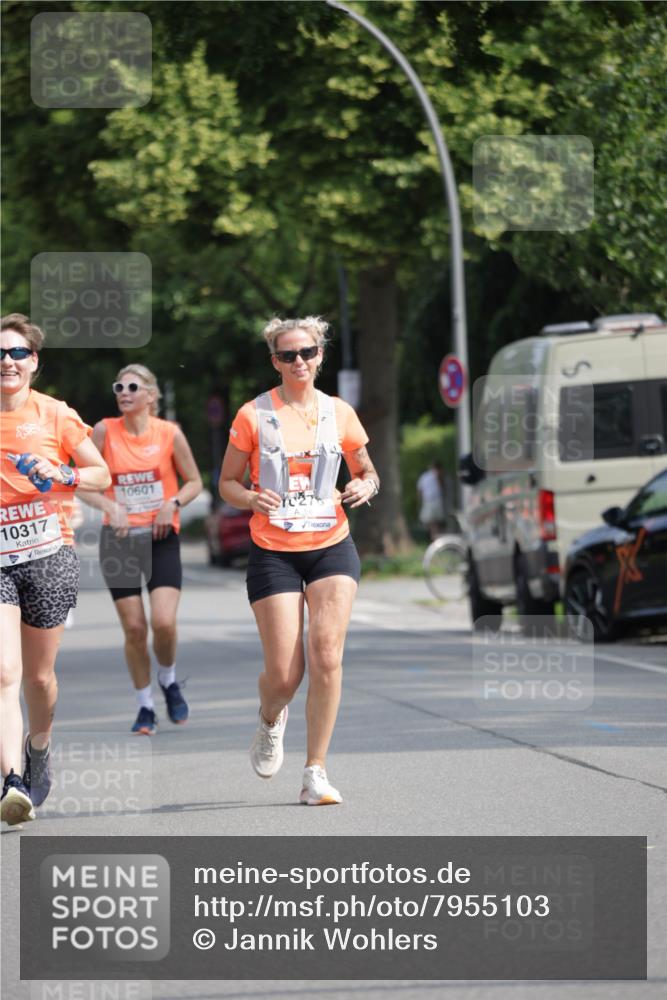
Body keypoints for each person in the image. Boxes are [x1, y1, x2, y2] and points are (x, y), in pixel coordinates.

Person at [219, 316, 379, 806]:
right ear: (275, 361)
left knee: (328, 655)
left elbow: (367, 470)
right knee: (286, 674)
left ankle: (316, 771)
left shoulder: (340, 413)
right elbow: (226, 482)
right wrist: (249, 499)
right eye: (288, 355)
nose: (299, 362)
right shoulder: (254, 415)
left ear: (320, 355)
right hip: (274, 552)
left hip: (331, 543)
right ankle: (271, 718)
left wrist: (364, 484)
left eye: (307, 352)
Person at [0, 313, 111, 825]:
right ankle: (12, 781)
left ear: (33, 363)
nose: (7, 361)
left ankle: (38, 748)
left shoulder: (55, 414)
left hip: (48, 552)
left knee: (39, 679)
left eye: (17, 353)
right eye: (0, 354)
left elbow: (100, 474)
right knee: (4, 672)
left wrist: (61, 471)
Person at [78, 364, 202, 736]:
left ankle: (168, 679)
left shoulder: (169, 434)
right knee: (135, 629)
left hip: (161, 536)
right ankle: (145, 705)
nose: (124, 392)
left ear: (151, 395)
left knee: (163, 623)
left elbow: (194, 481)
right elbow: (81, 482)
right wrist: (108, 506)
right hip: (118, 542)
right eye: (119, 386)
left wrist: (173, 503)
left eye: (133, 386)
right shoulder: (104, 431)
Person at [417, 460, 448, 541]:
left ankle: (434, 538)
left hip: (430, 500)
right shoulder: (431, 476)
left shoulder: (425, 476)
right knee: (433, 522)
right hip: (433, 500)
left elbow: (419, 490)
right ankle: (434, 537)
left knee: (433, 522)